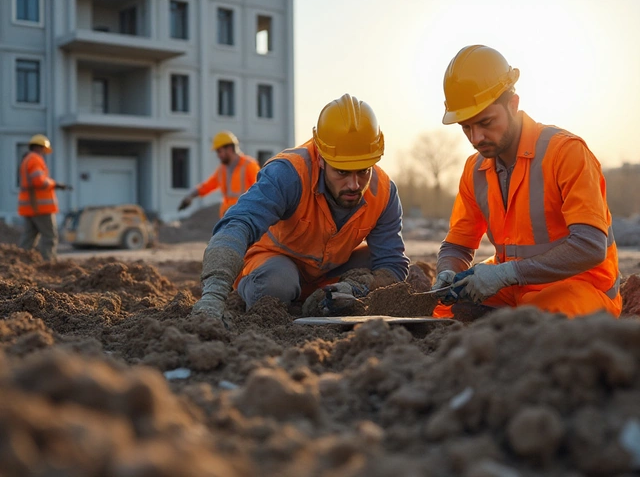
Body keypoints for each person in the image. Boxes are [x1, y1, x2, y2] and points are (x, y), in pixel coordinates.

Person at [431, 45, 621, 318]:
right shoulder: (474, 170)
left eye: (486, 122)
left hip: (579, 286)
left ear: (513, 104)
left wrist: (507, 273)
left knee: (543, 322)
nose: (476, 138)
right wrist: (448, 271)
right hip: (513, 286)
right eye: (467, 128)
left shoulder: (565, 152)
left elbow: (590, 246)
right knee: (443, 310)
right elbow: (458, 245)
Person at [191, 94, 410, 320]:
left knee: (383, 267)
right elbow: (237, 223)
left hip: (331, 271)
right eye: (342, 172)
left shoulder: (384, 192)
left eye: (364, 170)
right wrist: (213, 295)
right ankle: (257, 288)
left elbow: (392, 264)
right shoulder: (289, 174)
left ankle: (323, 297)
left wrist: (358, 287)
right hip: (274, 264)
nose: (354, 185)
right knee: (275, 286)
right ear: (321, 158)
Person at [178, 131, 260, 218]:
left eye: (219, 151)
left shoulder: (249, 165)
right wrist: (191, 195)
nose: (218, 155)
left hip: (245, 218)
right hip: (228, 217)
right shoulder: (222, 169)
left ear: (229, 149)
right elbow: (208, 186)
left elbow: (260, 190)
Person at [18, 134, 72, 261]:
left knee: (28, 237)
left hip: (30, 206)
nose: (44, 153)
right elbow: (39, 181)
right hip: (40, 207)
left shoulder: (26, 159)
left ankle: (19, 262)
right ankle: (49, 262)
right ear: (41, 147)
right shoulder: (36, 159)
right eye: (44, 150)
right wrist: (55, 184)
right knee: (50, 236)